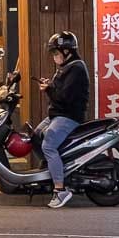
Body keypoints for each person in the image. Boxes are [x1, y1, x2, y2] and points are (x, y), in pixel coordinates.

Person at [37, 31, 90, 209]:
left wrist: (49, 90)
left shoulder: (76, 68)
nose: (54, 57)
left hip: (69, 116)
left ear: (67, 52)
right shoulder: (66, 68)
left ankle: (60, 190)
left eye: (56, 53)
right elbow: (59, 93)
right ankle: (47, 174)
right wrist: (50, 86)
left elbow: (65, 98)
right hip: (58, 114)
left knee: (48, 145)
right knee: (36, 135)